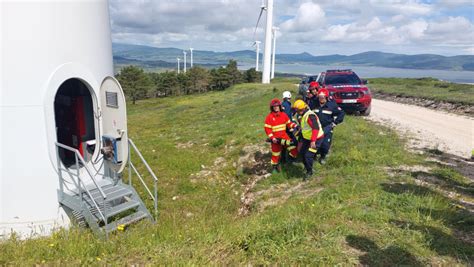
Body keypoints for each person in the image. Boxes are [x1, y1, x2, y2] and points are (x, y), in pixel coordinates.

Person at [264, 98, 299, 174]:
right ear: (272, 107)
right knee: (275, 154)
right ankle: (274, 168)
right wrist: (272, 138)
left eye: (277, 106)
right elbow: (267, 129)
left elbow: (289, 124)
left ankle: (290, 161)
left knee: (293, 148)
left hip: (284, 136)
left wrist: (295, 126)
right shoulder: (269, 117)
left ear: (280, 106)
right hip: (275, 139)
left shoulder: (284, 115)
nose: (276, 107)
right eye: (274, 106)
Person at [292, 99, 324, 180]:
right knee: (302, 154)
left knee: (308, 156)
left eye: (298, 110)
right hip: (307, 138)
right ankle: (307, 167)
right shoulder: (303, 114)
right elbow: (305, 127)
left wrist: (313, 141)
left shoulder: (310, 116)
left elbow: (315, 128)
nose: (297, 112)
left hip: (316, 139)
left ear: (302, 109)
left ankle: (310, 172)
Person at [314, 88, 345, 164]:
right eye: (320, 97)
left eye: (323, 97)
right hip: (316, 128)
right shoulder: (314, 104)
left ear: (327, 97)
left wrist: (335, 123)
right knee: (315, 143)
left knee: (325, 145)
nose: (321, 99)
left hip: (327, 127)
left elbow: (341, 113)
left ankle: (323, 156)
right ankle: (314, 156)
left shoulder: (332, 105)